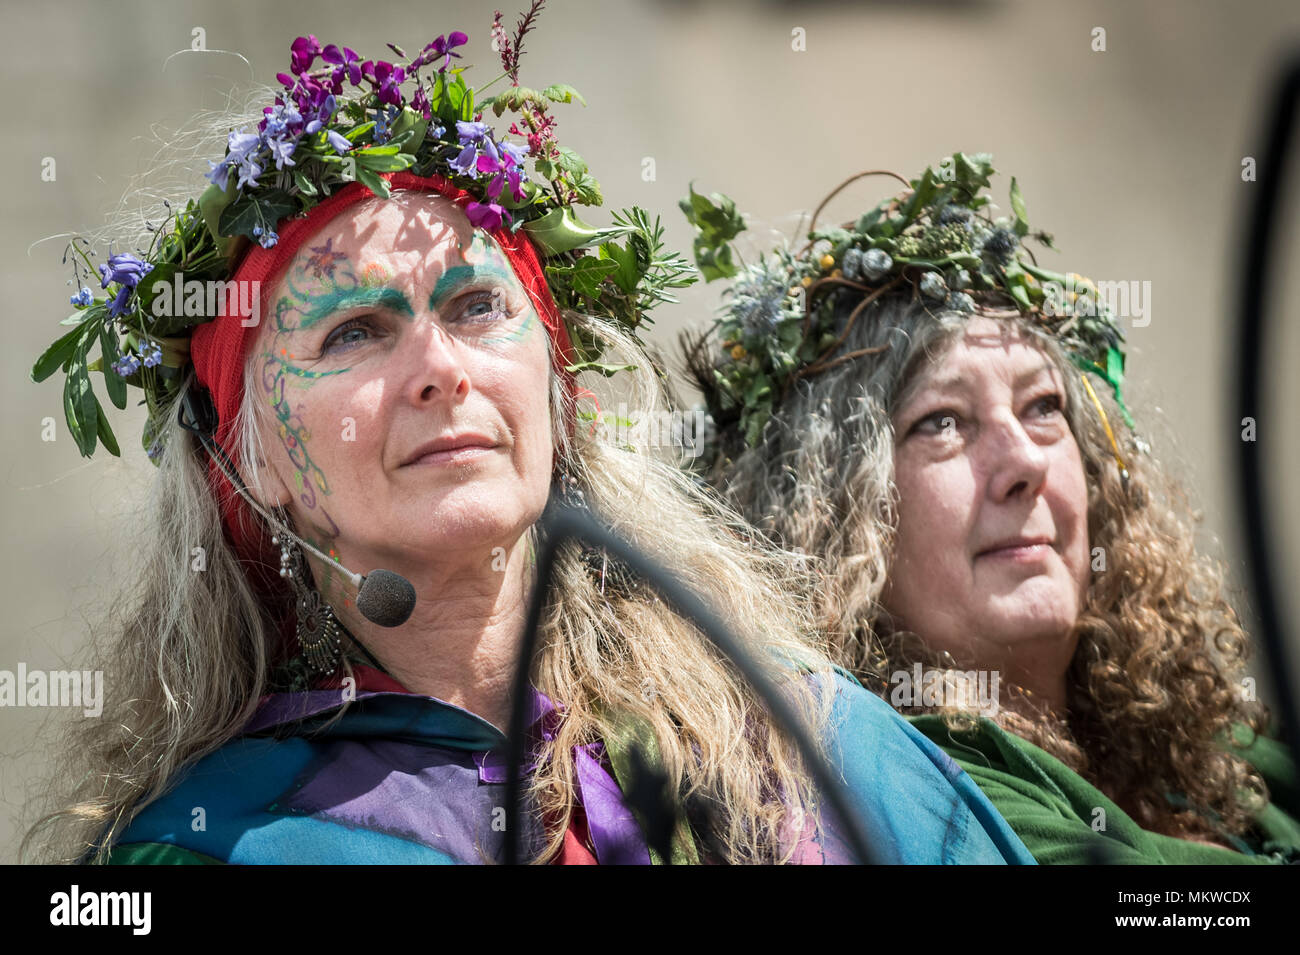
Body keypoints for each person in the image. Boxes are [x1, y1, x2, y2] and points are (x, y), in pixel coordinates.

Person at [22, 26, 1032, 866]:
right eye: (354, 332)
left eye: (473, 308)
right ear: (258, 469)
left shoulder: (810, 737)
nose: (439, 367)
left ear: (556, 398)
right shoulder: (213, 848)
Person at [681, 153, 1300, 864]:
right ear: (832, 518)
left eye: (1043, 407)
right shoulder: (918, 787)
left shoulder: (1203, 745)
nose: (1023, 464)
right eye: (942, 421)